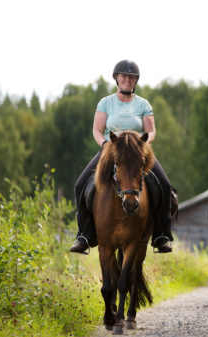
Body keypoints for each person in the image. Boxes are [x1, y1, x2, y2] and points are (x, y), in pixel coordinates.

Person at [70, 60, 174, 254]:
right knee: (80, 186)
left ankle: (162, 235)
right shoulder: (105, 102)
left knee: (165, 186)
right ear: (117, 78)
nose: (127, 79)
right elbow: (97, 130)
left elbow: (151, 131)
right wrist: (104, 144)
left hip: (137, 152)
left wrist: (143, 144)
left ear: (136, 81)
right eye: (124, 76)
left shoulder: (143, 104)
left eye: (131, 77)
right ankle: (84, 235)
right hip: (111, 150)